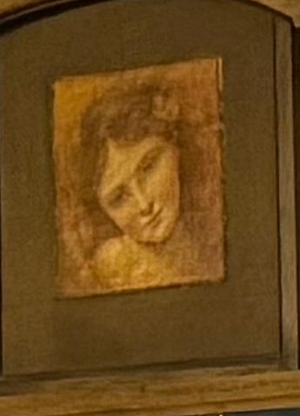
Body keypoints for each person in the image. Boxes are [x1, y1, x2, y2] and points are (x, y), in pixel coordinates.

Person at [66, 75, 212, 292]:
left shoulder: (211, 226)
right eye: (119, 198)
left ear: (175, 147)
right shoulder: (108, 272)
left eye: (149, 166)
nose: (144, 205)